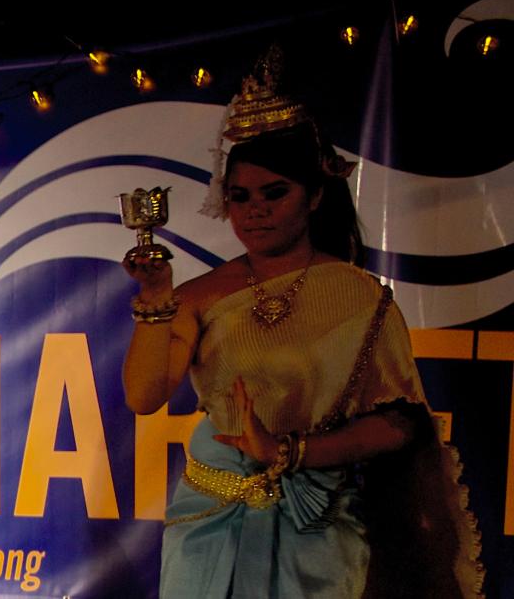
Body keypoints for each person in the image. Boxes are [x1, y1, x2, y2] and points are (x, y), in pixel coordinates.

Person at [120, 54, 482, 598]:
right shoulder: (200, 295)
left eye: (274, 193)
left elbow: (400, 424)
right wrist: (153, 301)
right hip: (210, 520)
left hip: (315, 528)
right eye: (240, 196)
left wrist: (288, 454)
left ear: (314, 196)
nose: (255, 212)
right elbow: (144, 396)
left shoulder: (358, 297)